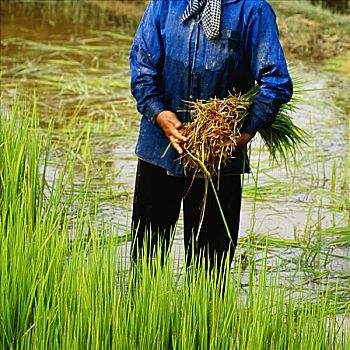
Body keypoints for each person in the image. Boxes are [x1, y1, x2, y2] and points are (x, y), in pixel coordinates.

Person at [129, 0, 292, 269]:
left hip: (219, 159)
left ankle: (205, 312)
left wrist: (247, 131)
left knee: (210, 270)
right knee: (145, 261)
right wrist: (159, 113)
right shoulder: (164, 4)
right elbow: (142, 67)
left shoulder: (252, 10)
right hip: (158, 151)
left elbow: (276, 82)